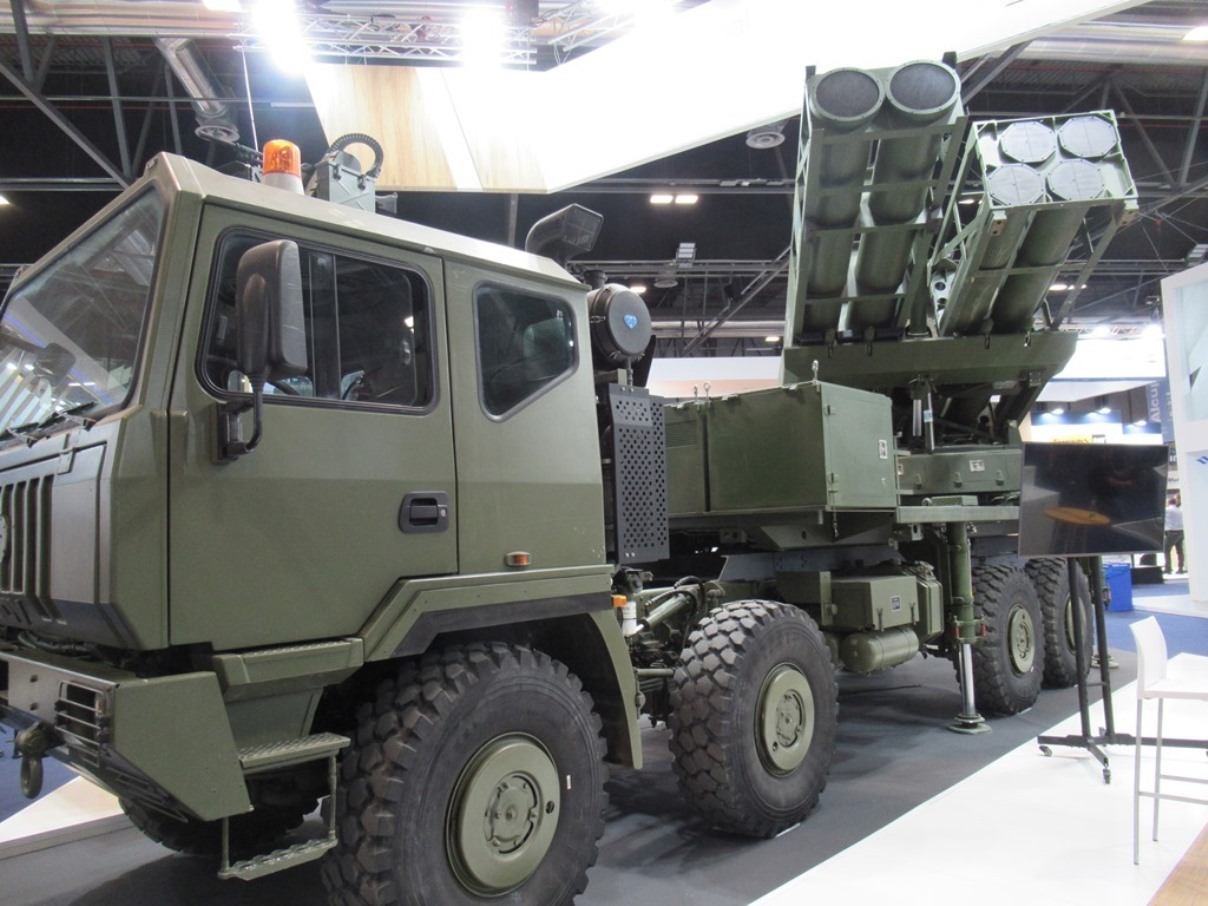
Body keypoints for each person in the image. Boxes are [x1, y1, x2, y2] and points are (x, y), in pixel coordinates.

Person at [1164, 494, 1185, 575]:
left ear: (1169, 503)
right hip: (1181, 532)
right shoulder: (1181, 510)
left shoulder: (1166, 510)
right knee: (1180, 550)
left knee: (1166, 549)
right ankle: (1180, 568)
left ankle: (1168, 568)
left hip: (1171, 532)